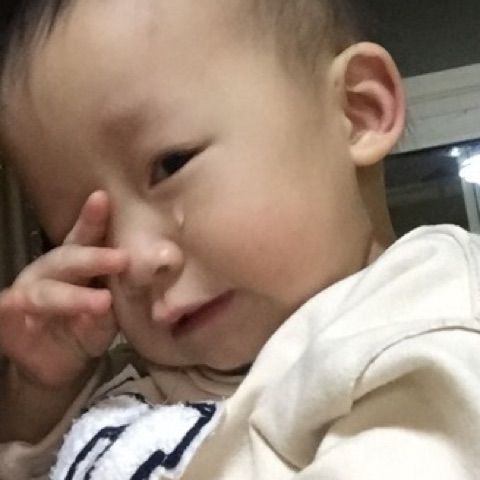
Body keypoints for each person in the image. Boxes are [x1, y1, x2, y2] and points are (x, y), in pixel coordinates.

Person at [1, 0, 480, 479]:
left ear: (357, 112)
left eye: (171, 164)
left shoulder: (419, 332)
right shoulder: (133, 380)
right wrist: (43, 392)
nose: (134, 260)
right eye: (85, 233)